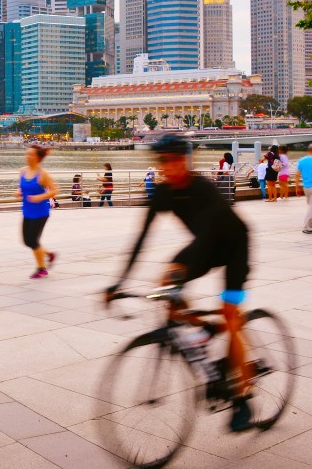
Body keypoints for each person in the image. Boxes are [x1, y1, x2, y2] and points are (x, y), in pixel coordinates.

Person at [104, 134, 255, 432]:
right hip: (203, 245)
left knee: (230, 316)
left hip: (234, 245)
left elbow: (210, 234)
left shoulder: (203, 189)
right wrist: (118, 283)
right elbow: (141, 238)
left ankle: (242, 397)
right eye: (163, 161)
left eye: (175, 160)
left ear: (186, 161)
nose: (169, 167)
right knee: (166, 283)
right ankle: (201, 331)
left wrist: (177, 285)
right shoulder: (163, 192)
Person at [18, 145, 58, 279]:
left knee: (33, 241)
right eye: (27, 154)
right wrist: (19, 192)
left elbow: (54, 190)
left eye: (31, 154)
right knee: (27, 241)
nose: (28, 157)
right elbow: (22, 187)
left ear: (38, 158)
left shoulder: (43, 174)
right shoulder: (23, 171)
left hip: (40, 212)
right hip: (27, 211)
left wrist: (40, 197)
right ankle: (48, 255)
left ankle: (41, 269)